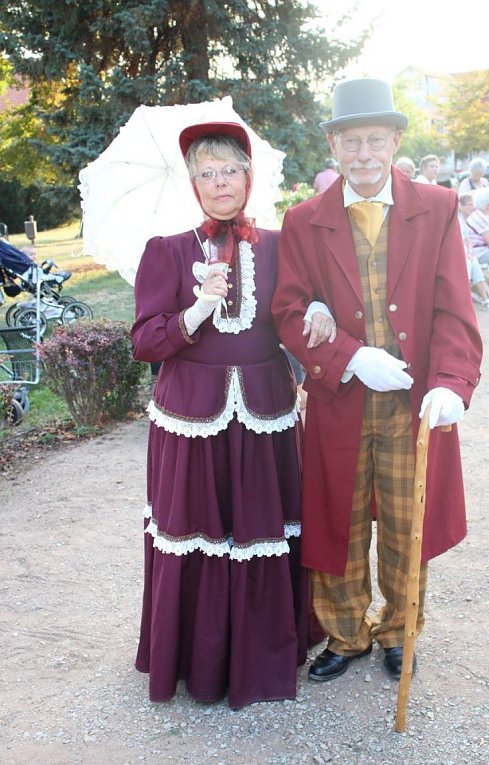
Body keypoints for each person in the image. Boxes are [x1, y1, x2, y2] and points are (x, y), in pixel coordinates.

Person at [272, 78, 483, 683]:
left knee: (404, 523)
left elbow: (453, 309)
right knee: (335, 523)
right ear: (333, 146)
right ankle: (346, 634)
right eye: (350, 141)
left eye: (374, 140)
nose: (363, 154)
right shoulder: (304, 219)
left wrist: (451, 382)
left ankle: (398, 630)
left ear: (394, 141)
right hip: (339, 401)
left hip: (412, 404)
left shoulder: (437, 208)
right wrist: (349, 356)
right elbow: (288, 310)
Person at [131, 120, 333, 708]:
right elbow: (144, 342)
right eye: (207, 173)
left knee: (263, 528)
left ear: (249, 177)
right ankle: (199, 661)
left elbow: (302, 302)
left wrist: (318, 305)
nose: (221, 182)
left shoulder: (280, 244)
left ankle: (263, 654)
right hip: (191, 420)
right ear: (193, 184)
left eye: (231, 171)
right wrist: (195, 311)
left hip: (266, 412)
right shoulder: (167, 250)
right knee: (197, 532)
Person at [458, 194, 489, 310]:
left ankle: (485, 299)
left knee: (474, 264)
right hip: (457, 254)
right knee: (468, 264)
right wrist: (465, 254)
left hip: (466, 252)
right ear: (461, 206)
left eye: (473, 204)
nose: (473, 207)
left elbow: (467, 239)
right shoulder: (457, 220)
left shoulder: (464, 220)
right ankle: (464, 301)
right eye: (469, 205)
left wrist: (470, 252)